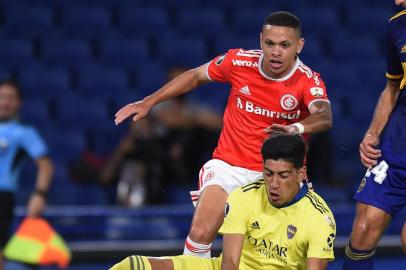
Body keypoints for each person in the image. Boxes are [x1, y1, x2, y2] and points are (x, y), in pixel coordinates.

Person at [115, 11, 332, 258]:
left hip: (277, 176)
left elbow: (324, 116)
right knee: (200, 230)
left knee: (274, 255)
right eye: (270, 43)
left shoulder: (307, 81)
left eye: (285, 45)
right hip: (229, 167)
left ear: (299, 45)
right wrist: (149, 101)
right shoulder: (239, 61)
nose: (276, 52)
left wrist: (296, 128)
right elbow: (196, 75)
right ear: (261, 40)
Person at [110, 134, 336, 270]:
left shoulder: (319, 219)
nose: (274, 183)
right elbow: (229, 264)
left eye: (283, 175)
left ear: (301, 173)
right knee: (131, 266)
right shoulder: (244, 195)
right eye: (268, 173)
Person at [343, 1, 406, 269]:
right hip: (397, 146)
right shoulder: (397, 24)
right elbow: (392, 86)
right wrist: (372, 133)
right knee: (363, 227)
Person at [0, 79, 53, 269]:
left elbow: (45, 165)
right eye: (1, 97)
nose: (5, 102)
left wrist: (39, 195)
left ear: (18, 102)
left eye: (10, 98)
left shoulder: (23, 132)